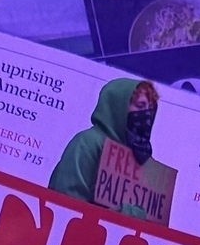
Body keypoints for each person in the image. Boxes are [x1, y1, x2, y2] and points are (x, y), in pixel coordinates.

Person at [49, 79, 161, 212]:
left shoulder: (143, 158)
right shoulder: (88, 143)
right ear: (118, 107)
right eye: (140, 106)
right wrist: (122, 214)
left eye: (150, 109)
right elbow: (65, 204)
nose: (147, 114)